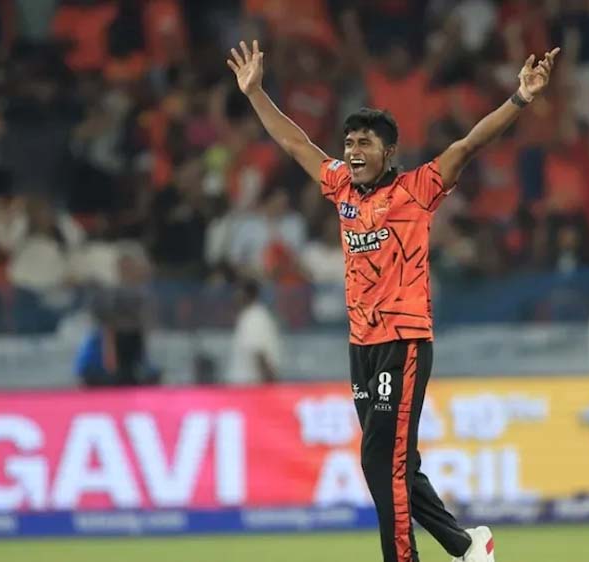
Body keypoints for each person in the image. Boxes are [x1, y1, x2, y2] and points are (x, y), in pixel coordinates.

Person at [227, 39, 559, 562]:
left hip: (403, 341)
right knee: (387, 462)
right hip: (361, 345)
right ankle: (466, 544)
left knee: (384, 461)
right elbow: (294, 143)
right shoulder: (340, 187)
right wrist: (255, 94)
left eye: (365, 142)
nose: (353, 151)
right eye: (349, 142)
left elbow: (469, 144)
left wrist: (520, 97)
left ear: (389, 153)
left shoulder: (417, 189)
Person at [225, 279, 281, 385]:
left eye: (238, 292)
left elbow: (259, 352)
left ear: (247, 294)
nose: (235, 296)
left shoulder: (254, 317)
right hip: (246, 385)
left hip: (250, 385)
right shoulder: (250, 314)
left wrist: (270, 385)